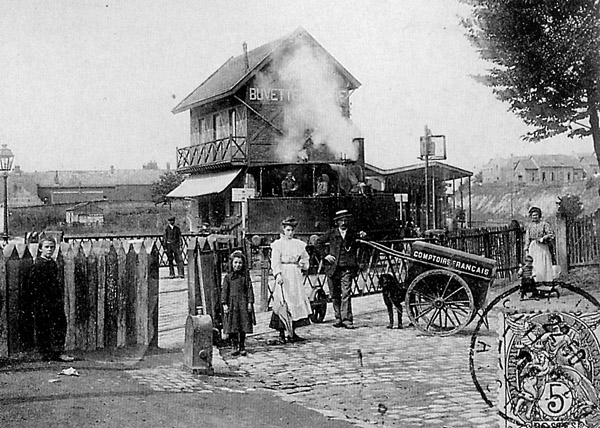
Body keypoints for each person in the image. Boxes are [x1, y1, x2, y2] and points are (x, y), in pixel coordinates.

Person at [315, 209, 366, 329]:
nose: (343, 222)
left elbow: (362, 242)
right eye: (341, 220)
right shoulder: (331, 233)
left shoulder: (353, 233)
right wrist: (325, 255)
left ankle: (347, 319)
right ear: (337, 222)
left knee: (346, 293)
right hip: (332, 269)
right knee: (335, 294)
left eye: (345, 220)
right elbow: (318, 243)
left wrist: (363, 236)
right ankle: (338, 318)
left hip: (347, 269)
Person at [29, 237, 74, 362]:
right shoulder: (38, 265)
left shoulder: (52, 263)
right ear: (40, 249)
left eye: (52, 247)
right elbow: (33, 286)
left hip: (54, 301)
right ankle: (47, 353)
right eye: (46, 247)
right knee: (44, 327)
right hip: (43, 302)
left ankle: (56, 352)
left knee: (59, 325)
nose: (49, 250)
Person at [269, 216, 312, 343]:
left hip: (295, 274)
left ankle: (292, 332)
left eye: (292, 230)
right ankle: (282, 332)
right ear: (283, 230)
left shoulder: (298, 244)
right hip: (284, 273)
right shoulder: (278, 245)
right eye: (288, 230)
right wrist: (278, 274)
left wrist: (302, 265)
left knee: (295, 298)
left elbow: (305, 257)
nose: (290, 233)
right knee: (283, 300)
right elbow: (275, 261)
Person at [221, 250, 255, 356]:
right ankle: (234, 345)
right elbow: (224, 292)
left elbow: (249, 289)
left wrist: (250, 302)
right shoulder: (227, 278)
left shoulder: (245, 277)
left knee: (243, 325)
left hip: (243, 303)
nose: (238, 265)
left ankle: (242, 345)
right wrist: (224, 304)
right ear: (231, 263)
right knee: (233, 325)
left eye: (240, 263)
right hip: (232, 304)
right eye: (235, 263)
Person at [525, 207, 555, 282]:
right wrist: (526, 248)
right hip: (533, 247)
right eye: (533, 215)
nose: (534, 217)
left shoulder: (544, 224)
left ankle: (545, 281)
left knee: (542, 263)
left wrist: (543, 238)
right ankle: (535, 282)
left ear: (539, 215)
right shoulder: (529, 226)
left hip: (542, 246)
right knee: (534, 264)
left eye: (536, 215)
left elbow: (551, 234)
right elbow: (527, 237)